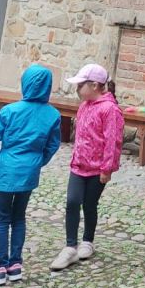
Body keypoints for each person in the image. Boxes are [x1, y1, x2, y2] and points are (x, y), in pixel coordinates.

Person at [50, 63, 124, 271]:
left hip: (97, 169)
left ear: (94, 86)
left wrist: (107, 168)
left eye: (80, 85)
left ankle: (88, 241)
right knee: (72, 202)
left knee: (90, 204)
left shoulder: (110, 109)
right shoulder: (84, 106)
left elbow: (112, 141)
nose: (77, 89)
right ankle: (70, 246)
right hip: (78, 166)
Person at [0, 65, 61, 284]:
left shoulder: (9, 111)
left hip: (5, 170)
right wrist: (37, 162)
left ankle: (0, 266)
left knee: (1, 218)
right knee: (19, 217)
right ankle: (15, 264)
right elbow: (52, 145)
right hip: (29, 172)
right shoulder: (53, 115)